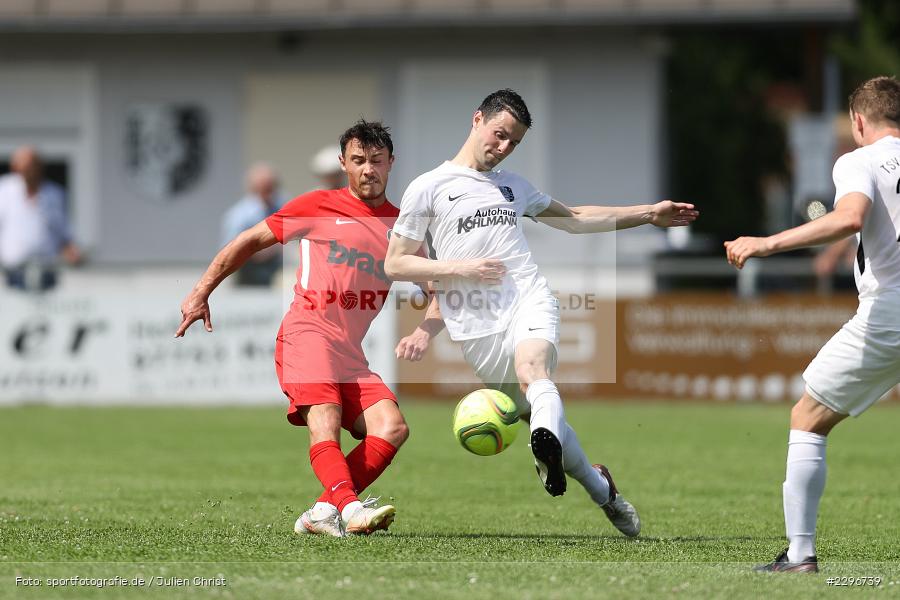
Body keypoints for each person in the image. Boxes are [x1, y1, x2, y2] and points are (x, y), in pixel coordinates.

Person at [385, 89, 698, 537]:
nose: (504, 147)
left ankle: (543, 448)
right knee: (541, 414)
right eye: (500, 135)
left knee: (534, 371)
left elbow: (574, 217)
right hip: (474, 327)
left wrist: (649, 213)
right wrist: (459, 269)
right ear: (477, 120)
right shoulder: (428, 187)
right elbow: (396, 263)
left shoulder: (513, 186)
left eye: (514, 142)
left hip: (527, 298)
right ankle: (600, 487)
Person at [178, 120, 407, 537]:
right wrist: (201, 291)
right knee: (326, 419)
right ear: (343, 164)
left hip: (350, 352)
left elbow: (437, 286)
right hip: (307, 331)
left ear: (391, 163)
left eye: (376, 160)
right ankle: (351, 510)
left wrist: (430, 324)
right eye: (358, 161)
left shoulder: (403, 226)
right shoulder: (318, 205)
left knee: (392, 427)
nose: (368, 169)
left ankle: (322, 511)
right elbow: (249, 240)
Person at [725, 76, 900, 573]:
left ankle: (800, 555)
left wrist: (765, 243)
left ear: (859, 121)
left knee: (808, 417)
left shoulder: (858, 160)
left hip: (891, 312)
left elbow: (849, 218)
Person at [0, 146, 81, 291]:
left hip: (47, 272)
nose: (28, 171)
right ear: (15, 168)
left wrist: (72, 252)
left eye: (32, 166)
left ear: (40, 168)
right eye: (24, 166)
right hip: (9, 273)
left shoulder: (54, 194)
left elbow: (63, 233)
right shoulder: (4, 190)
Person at [220, 163, 285, 286]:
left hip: (278, 271)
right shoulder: (239, 215)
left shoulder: (282, 205)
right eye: (265, 188)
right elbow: (229, 247)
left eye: (272, 187)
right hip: (250, 274)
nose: (270, 193)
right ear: (254, 188)